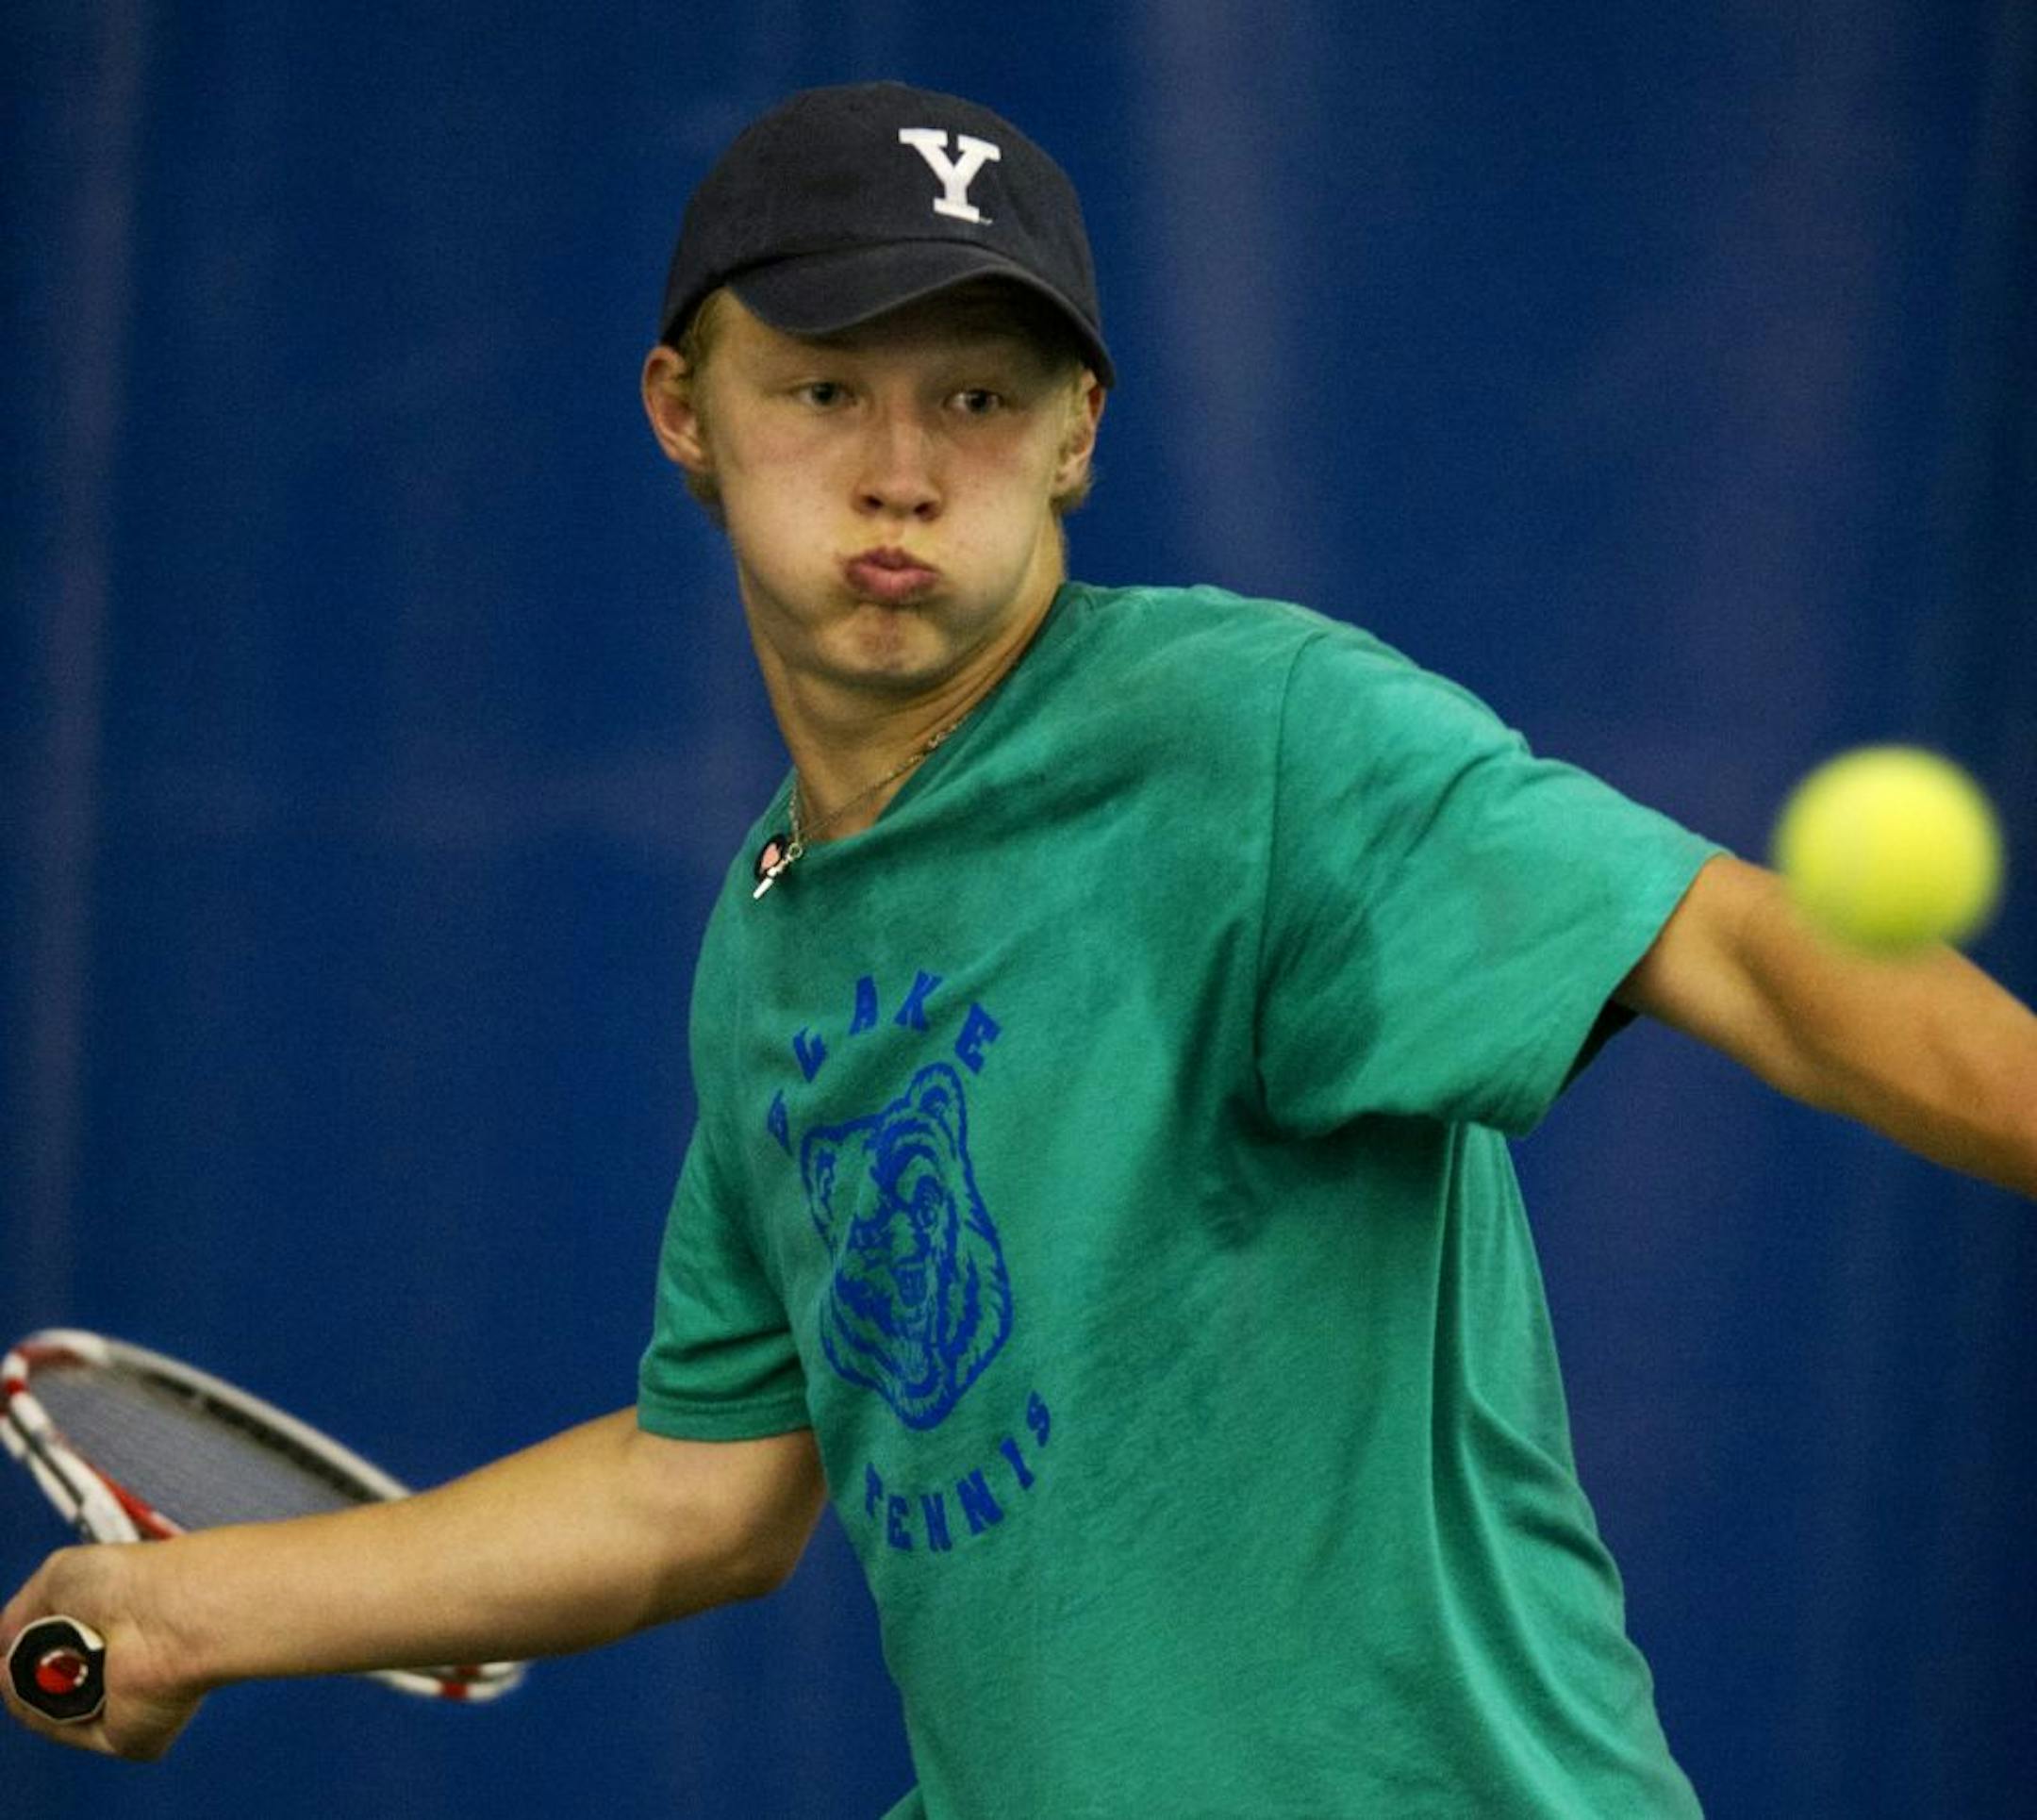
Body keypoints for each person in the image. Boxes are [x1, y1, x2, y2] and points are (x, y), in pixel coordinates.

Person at [5, 78, 2033, 1818]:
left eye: (977, 396)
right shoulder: (770, 937)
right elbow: (702, 1492)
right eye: (822, 389)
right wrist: (191, 1608)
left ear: (1074, 437)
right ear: (680, 411)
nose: (901, 468)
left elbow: (1753, 954)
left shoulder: (1259, 739)